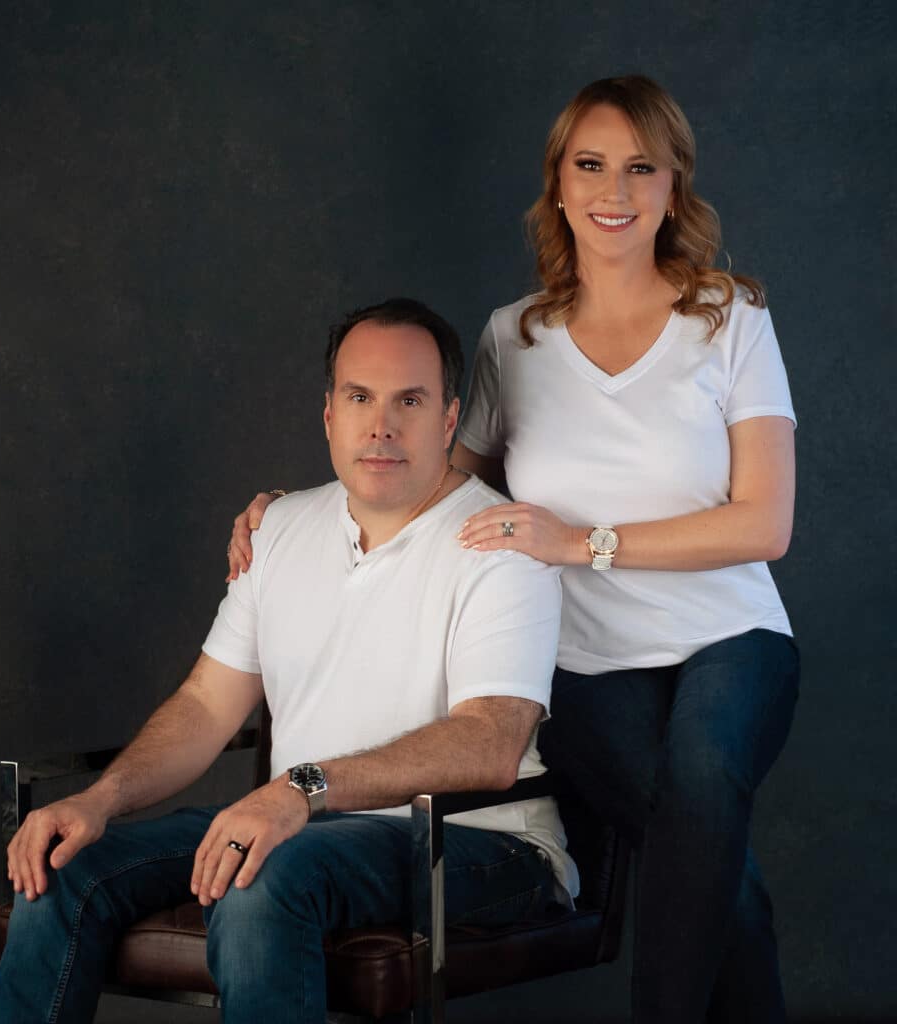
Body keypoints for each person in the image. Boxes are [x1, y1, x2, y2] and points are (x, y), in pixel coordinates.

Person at [228, 78, 799, 1023]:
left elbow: (763, 524)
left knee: (702, 782)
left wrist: (583, 541)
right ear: (561, 185)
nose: (613, 190)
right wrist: (289, 511)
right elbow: (421, 485)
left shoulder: (730, 318)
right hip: (580, 666)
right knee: (707, 851)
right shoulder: (515, 335)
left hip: (730, 637)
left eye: (639, 167)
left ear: (672, 186)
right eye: (590, 165)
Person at [0, 297, 576, 1024]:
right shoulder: (279, 529)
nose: (381, 425)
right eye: (360, 397)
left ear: (450, 420)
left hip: (479, 841)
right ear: (329, 413)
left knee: (260, 875)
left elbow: (490, 743)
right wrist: (99, 802)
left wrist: (300, 787)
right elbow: (205, 707)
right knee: (66, 867)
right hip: (304, 824)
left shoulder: (500, 545)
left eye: (410, 401)